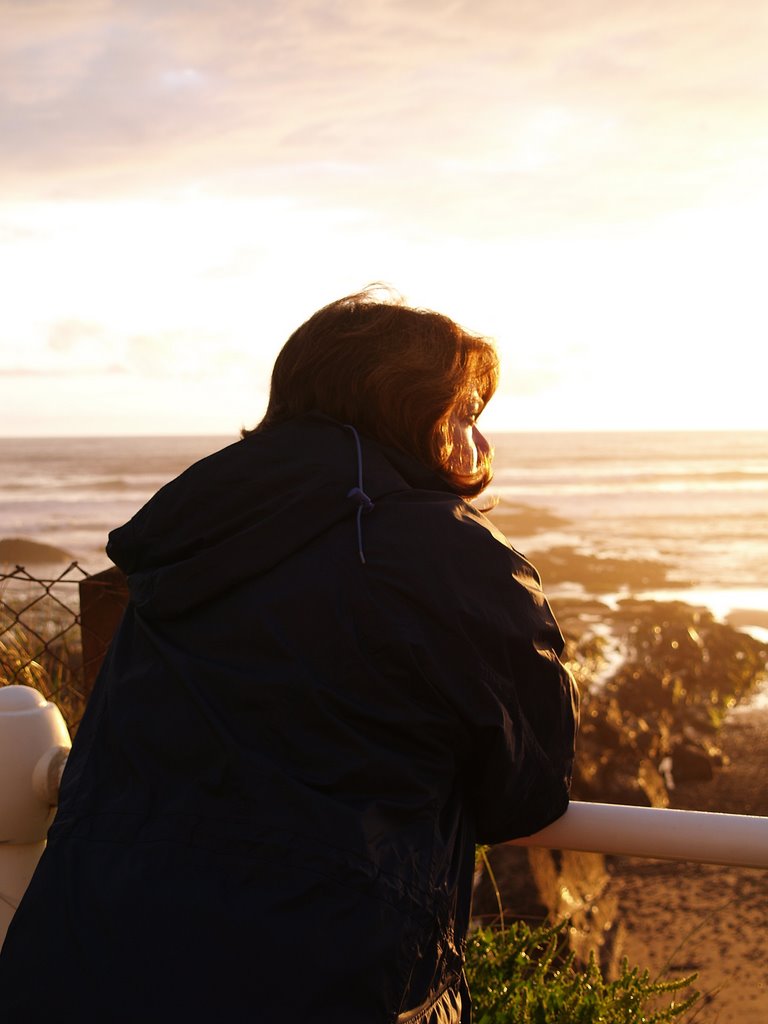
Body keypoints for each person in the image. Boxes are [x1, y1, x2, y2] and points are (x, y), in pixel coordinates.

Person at [0, 287, 578, 1023]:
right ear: (411, 412)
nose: (481, 443)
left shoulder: (187, 534)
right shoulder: (458, 560)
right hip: (326, 976)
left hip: (82, 958)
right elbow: (530, 787)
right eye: (465, 413)